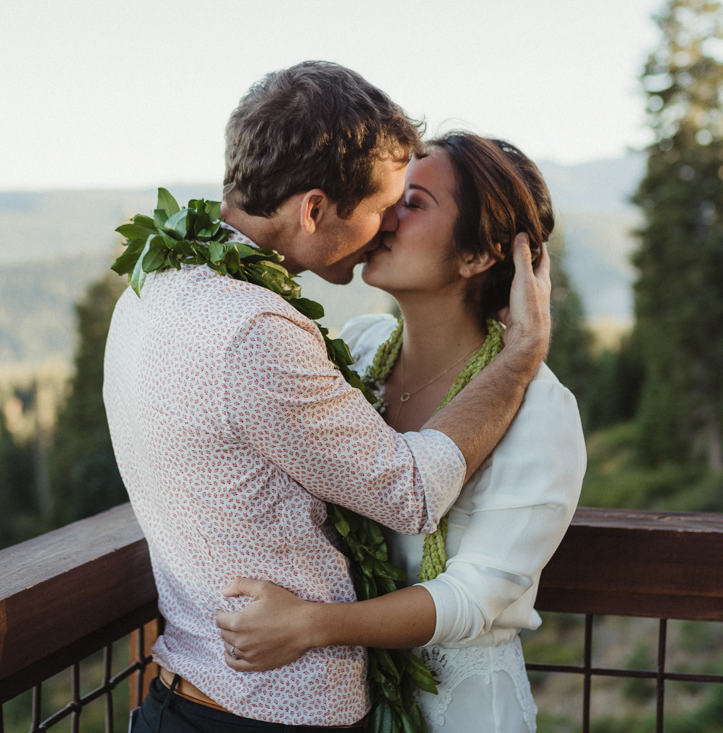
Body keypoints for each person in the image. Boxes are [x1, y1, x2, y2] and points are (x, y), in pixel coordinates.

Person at [102, 63, 554, 732]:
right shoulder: (254, 329)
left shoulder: (156, 285)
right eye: (380, 207)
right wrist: (519, 359)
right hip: (263, 713)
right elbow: (411, 492)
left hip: (194, 694)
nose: (386, 227)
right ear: (314, 210)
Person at [215, 133, 586, 733]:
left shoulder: (541, 411)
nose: (383, 215)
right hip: (350, 702)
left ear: (477, 256)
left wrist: (309, 625)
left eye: (412, 202)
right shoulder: (358, 352)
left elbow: (473, 599)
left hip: (462, 713)